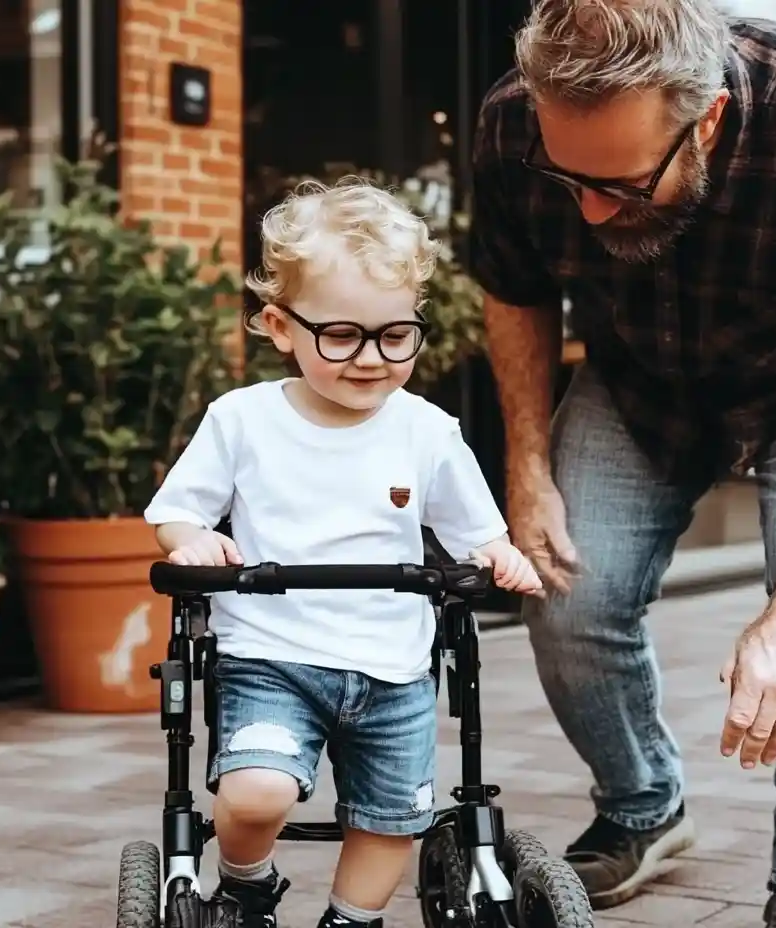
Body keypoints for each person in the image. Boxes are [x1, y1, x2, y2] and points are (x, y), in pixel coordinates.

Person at [469, 2, 776, 926]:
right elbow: (514, 288)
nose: (587, 209)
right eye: (565, 177)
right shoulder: (514, 119)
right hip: (637, 383)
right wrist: (527, 466)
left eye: (618, 184)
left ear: (707, 121)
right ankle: (642, 805)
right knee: (566, 591)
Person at [143, 179, 542, 928]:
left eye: (394, 336)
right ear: (278, 325)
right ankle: (246, 882)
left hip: (393, 669)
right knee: (253, 793)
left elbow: (475, 531)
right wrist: (192, 541)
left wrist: (499, 556)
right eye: (341, 336)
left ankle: (348, 921)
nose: (370, 359)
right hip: (271, 657)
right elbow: (174, 511)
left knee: (392, 819)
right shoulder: (243, 420)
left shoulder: (426, 431)